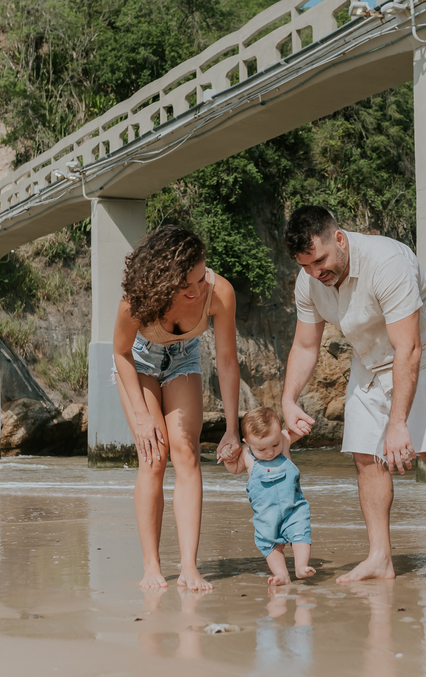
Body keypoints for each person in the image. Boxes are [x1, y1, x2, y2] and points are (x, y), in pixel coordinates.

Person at [280, 205, 426, 593]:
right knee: (365, 456)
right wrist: (289, 400)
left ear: (339, 238)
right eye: (306, 265)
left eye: (320, 261)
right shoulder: (310, 282)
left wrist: (398, 422)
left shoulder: (388, 261)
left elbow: (407, 348)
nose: (316, 272)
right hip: (370, 357)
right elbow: (305, 345)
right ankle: (380, 557)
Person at [113, 225, 241, 590]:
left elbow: (228, 362)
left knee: (185, 453)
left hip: (184, 360)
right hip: (138, 362)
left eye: (202, 278)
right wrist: (141, 417)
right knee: (154, 456)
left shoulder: (219, 293)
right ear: (163, 283)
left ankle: (189, 566)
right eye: (188, 286)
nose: (199, 289)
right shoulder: (134, 302)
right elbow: (120, 353)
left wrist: (233, 428)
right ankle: (151, 566)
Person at [222, 406, 314, 585]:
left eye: (275, 444)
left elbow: (298, 431)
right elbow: (233, 469)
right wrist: (227, 457)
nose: (271, 452)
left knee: (300, 534)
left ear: (280, 434)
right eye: (262, 449)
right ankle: (281, 574)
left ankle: (301, 566)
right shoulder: (246, 455)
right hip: (266, 515)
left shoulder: (284, 441)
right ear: (247, 442)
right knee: (269, 544)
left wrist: (302, 425)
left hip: (294, 508)